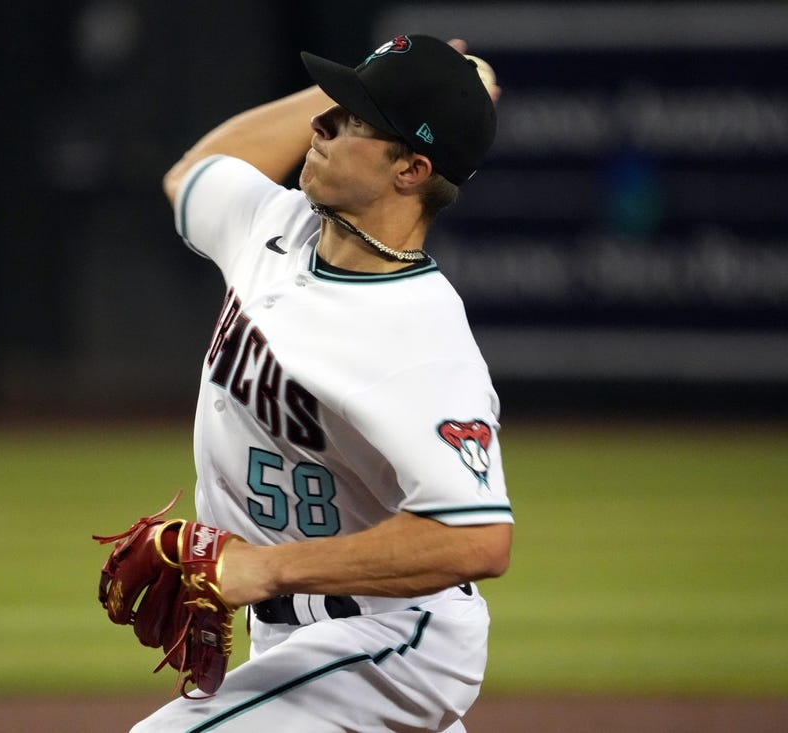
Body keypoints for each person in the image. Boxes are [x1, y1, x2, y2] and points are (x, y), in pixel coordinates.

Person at [138, 33, 513, 732]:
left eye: (355, 121)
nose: (322, 126)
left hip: (394, 642)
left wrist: (268, 568)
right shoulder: (273, 228)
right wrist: (361, 86)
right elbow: (193, 173)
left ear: (411, 169)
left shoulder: (422, 337)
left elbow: (478, 539)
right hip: (292, 640)